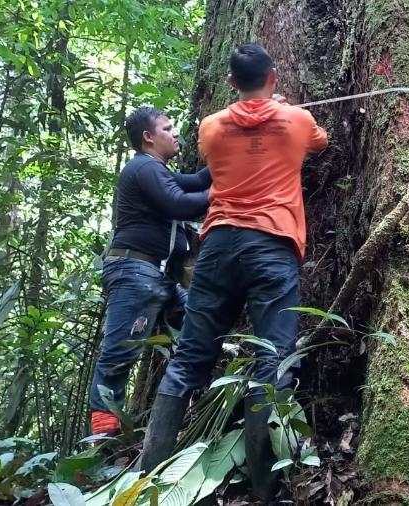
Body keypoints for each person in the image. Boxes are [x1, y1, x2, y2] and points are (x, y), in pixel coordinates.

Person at [140, 43, 327, 500]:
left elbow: (228, 138)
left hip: (219, 245)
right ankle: (267, 489)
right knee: (272, 358)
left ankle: (144, 481)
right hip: (272, 244)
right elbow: (320, 143)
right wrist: (282, 110)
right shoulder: (297, 121)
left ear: (230, 83)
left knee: (187, 360)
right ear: (275, 76)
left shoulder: (210, 127)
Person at [89, 107, 211, 437]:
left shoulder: (157, 170)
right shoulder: (143, 167)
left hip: (157, 279)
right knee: (119, 353)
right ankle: (100, 439)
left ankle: (197, 402)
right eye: (168, 128)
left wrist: (238, 139)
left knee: (199, 321)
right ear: (148, 137)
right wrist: (225, 193)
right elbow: (178, 203)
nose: (175, 134)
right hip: (135, 273)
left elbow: (198, 181)